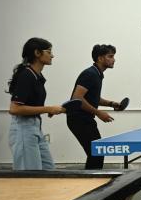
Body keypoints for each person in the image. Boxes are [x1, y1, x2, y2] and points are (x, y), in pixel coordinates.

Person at [7, 38, 64, 170]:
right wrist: (48, 108)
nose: (52, 55)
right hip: (23, 129)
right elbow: (15, 109)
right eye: (49, 52)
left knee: (48, 170)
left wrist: (49, 110)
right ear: (37, 53)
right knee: (30, 176)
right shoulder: (26, 75)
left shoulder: (37, 76)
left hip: (35, 127)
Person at [66, 44, 121, 170]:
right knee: (97, 153)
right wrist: (98, 113)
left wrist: (111, 104)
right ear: (100, 58)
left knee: (96, 153)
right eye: (110, 56)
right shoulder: (90, 74)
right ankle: (91, 181)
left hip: (83, 119)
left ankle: (91, 180)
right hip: (78, 119)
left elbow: (92, 98)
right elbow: (77, 98)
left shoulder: (97, 74)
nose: (114, 59)